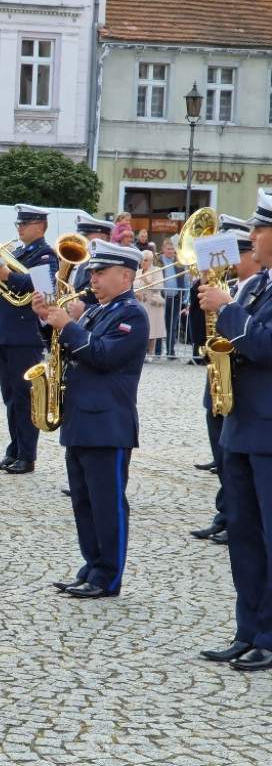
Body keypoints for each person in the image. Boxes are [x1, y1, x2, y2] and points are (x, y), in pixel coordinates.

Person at [33, 239, 148, 599]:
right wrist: (47, 320)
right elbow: (65, 344)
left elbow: (100, 355)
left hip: (108, 424)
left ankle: (108, 576)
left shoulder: (131, 314)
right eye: (92, 271)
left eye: (101, 272)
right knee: (83, 502)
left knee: (107, 503)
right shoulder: (100, 310)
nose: (92, 278)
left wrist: (67, 323)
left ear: (125, 275)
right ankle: (91, 567)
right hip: (81, 420)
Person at [197, 189, 272, 670]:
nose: (251, 238)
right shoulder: (256, 285)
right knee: (244, 535)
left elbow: (264, 346)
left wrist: (226, 307)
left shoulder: (246, 293)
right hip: (241, 425)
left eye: (258, 231)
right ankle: (250, 629)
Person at [190, 226, 261, 545]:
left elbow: (256, 340)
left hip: (249, 400)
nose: (231, 260)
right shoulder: (237, 288)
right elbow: (201, 333)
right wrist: (203, 289)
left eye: (237, 252)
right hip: (222, 386)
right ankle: (226, 514)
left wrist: (225, 305)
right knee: (224, 460)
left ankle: (233, 517)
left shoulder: (247, 291)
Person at [0, 204, 59, 475]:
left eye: (24, 224)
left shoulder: (46, 255)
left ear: (40, 226)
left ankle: (27, 455)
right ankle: (14, 450)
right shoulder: (18, 252)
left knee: (25, 397)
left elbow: (44, 287)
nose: (19, 228)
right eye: (18, 224)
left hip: (24, 334)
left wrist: (7, 276)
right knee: (10, 396)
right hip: (4, 330)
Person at [155, 236, 188, 359]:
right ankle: (157, 352)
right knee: (159, 326)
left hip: (175, 298)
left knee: (172, 326)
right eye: (168, 249)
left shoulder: (179, 262)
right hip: (160, 298)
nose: (170, 251)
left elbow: (184, 279)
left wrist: (184, 296)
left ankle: (170, 352)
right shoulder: (157, 261)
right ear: (163, 249)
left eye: (172, 249)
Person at [134, 249, 165, 360]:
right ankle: (139, 352)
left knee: (152, 328)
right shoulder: (137, 271)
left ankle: (150, 353)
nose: (143, 262)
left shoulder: (156, 270)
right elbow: (132, 286)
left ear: (151, 261)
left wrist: (147, 281)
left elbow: (160, 287)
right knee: (139, 328)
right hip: (140, 302)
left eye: (146, 260)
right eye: (142, 260)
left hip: (152, 303)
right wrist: (137, 294)